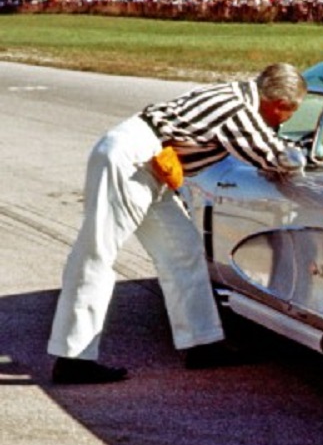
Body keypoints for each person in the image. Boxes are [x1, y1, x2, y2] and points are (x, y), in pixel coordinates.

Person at [48, 63, 308, 384]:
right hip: (133, 159)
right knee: (97, 253)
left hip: (152, 166)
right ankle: (73, 357)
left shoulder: (237, 96)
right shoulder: (239, 110)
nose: (287, 120)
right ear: (278, 103)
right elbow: (275, 157)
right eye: (290, 112)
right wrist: (312, 158)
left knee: (183, 249)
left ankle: (203, 344)